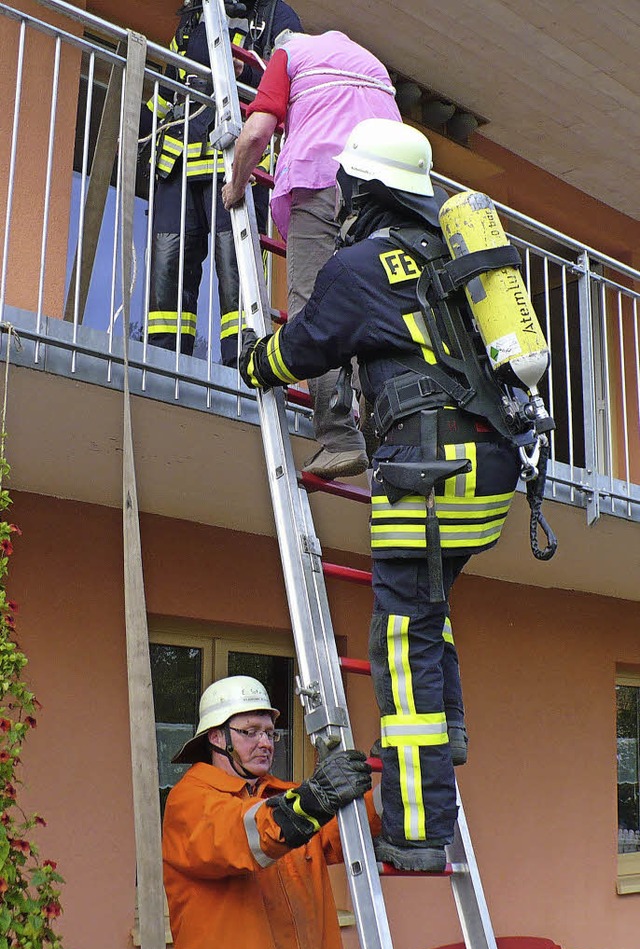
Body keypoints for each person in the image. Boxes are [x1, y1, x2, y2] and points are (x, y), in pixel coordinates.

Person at [237, 119, 523, 871]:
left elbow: (305, 347)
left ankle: (420, 829)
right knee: (429, 607)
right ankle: (451, 729)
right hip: (489, 472)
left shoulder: (361, 265)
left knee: (401, 644)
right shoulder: (449, 253)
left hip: (427, 475)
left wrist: (254, 360)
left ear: (360, 188)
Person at [222, 29, 401, 479]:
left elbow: (256, 132)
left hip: (322, 183)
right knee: (375, 315)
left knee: (317, 308)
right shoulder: (371, 63)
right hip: (386, 202)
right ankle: (383, 432)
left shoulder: (287, 55)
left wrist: (237, 184)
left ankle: (339, 439)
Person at [163, 674, 379, 949]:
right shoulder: (189, 800)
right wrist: (314, 798)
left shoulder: (284, 797)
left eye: (270, 732)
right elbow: (242, 833)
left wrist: (391, 795)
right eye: (250, 731)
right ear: (216, 737)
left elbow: (338, 833)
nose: (265, 742)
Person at [141, 0, 302, 364]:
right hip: (176, 163)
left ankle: (241, 366)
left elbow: (295, 82)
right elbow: (166, 93)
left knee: (236, 272)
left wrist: (246, 74)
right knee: (167, 272)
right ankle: (164, 364)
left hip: (234, 166)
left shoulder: (274, 17)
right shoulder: (194, 17)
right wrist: (141, 138)